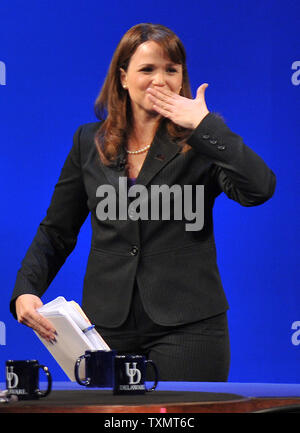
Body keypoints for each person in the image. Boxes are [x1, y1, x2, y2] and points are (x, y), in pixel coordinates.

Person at [10, 23, 276, 381]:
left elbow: (259, 189)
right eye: (147, 69)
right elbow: (56, 231)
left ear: (183, 76)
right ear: (123, 77)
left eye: (171, 69)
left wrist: (205, 125)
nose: (161, 80)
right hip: (106, 329)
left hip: (189, 328)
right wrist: (26, 290)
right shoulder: (88, 142)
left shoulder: (204, 142)